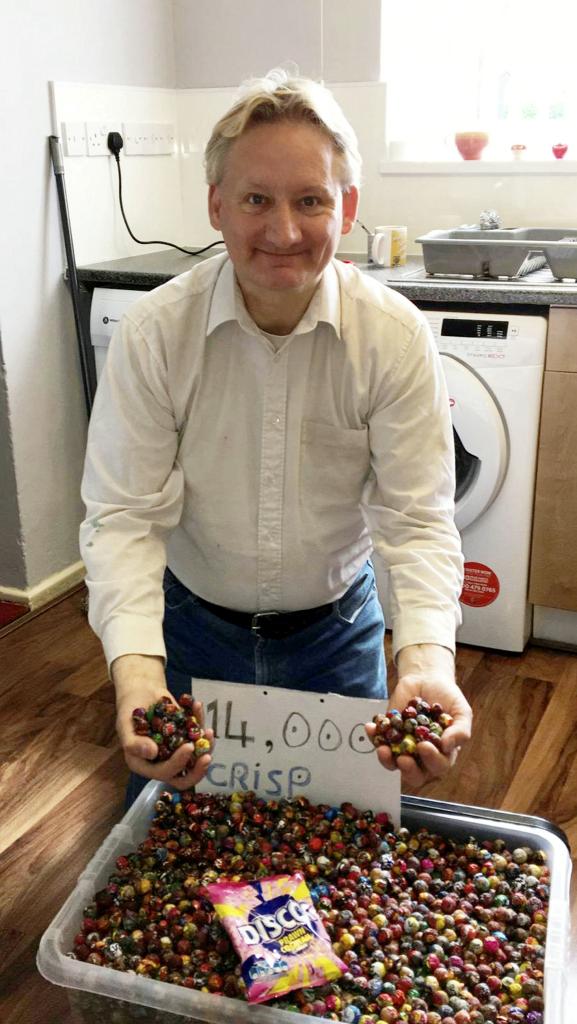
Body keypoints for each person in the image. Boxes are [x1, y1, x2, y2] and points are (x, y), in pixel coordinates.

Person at [80, 69, 471, 805]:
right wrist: (137, 673)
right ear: (216, 205)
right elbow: (124, 516)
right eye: (256, 199)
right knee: (177, 856)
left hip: (339, 636)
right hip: (191, 632)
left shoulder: (393, 338)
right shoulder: (156, 335)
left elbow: (415, 517)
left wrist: (425, 658)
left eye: (310, 200)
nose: (283, 232)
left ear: (346, 207)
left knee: (340, 867)